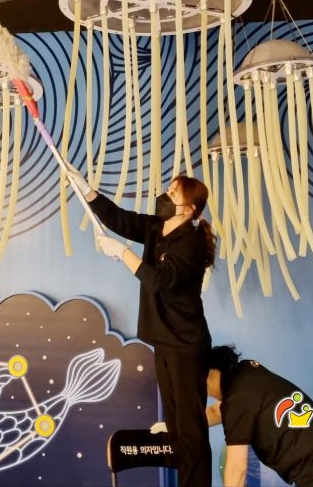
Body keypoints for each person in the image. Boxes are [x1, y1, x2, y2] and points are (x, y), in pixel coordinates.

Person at [66, 168, 215, 487]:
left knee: (191, 431)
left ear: (189, 210)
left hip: (186, 346)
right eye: (169, 189)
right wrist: (89, 192)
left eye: (174, 193)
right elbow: (119, 219)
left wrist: (123, 253)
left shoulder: (191, 243)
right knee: (176, 429)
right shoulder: (155, 227)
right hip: (163, 340)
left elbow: (160, 281)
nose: (166, 195)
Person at [206, 345, 313, 487]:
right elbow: (215, 412)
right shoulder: (246, 372)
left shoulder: (238, 399)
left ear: (207, 377)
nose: (205, 394)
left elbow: (237, 469)